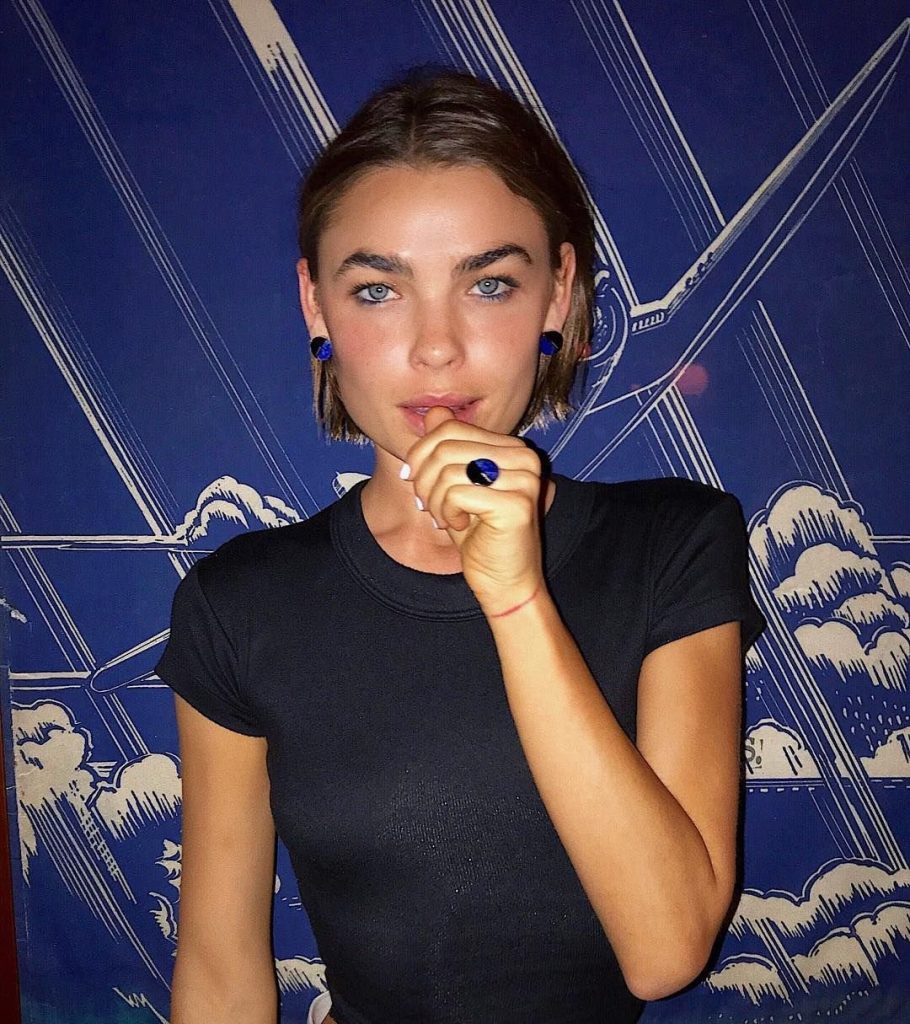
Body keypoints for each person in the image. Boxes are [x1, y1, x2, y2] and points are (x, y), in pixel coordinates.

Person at [155, 64, 766, 1024]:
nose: (436, 346)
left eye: (488, 283)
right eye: (377, 290)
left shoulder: (673, 543)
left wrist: (516, 597)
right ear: (315, 307)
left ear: (558, 294)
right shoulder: (239, 604)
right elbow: (220, 973)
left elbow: (667, 949)